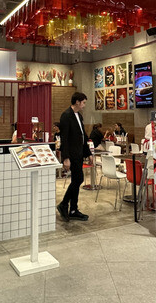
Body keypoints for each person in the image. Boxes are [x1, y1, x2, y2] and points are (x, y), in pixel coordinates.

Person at [57, 92, 92, 222]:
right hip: (72, 154)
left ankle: (73, 209)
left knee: (76, 180)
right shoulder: (66, 116)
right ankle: (64, 204)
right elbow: (64, 138)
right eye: (83, 102)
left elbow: (83, 136)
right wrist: (65, 158)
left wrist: (88, 153)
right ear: (77, 102)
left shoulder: (79, 116)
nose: (84, 105)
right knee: (78, 179)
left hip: (79, 153)